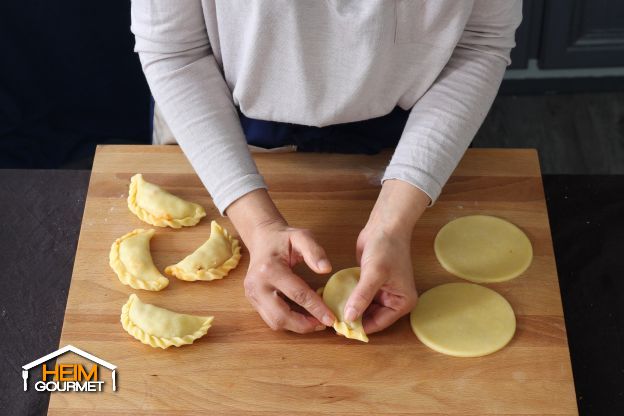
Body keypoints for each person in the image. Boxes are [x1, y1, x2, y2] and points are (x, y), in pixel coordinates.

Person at [130, 1, 521, 335]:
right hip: (222, 121)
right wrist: (258, 224)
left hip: (415, 125)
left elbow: (478, 42)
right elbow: (176, 51)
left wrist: (395, 219)